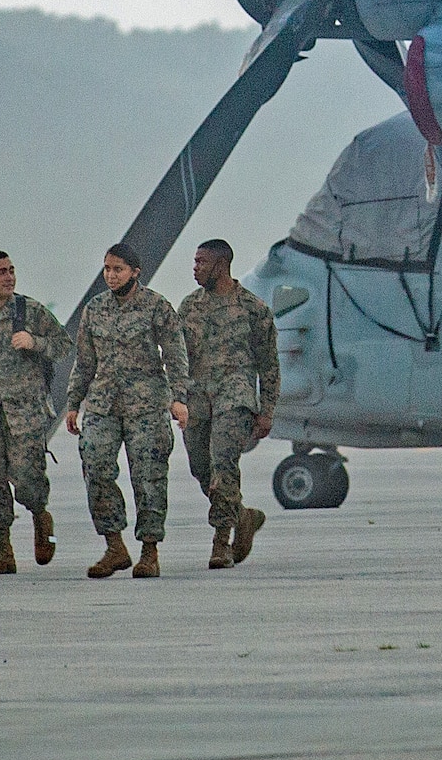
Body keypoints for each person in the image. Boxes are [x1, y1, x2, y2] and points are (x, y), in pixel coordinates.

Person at [64, 243, 188, 579]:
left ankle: (149, 550)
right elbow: (85, 361)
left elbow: (175, 354)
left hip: (146, 405)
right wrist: (73, 404)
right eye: (106, 269)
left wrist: (179, 398)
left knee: (148, 477)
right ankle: (114, 546)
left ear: (135, 271)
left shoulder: (156, 306)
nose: (111, 275)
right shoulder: (95, 309)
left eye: (118, 269)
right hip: (103, 404)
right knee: (96, 467)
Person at [0, 251, 73, 574]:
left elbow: (64, 345)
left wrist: (35, 342)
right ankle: (3, 550)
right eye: (0, 272)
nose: (9, 277)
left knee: (27, 480)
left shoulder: (30, 311)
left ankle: (40, 515)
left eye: (11, 271)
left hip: (25, 413)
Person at [177, 239, 280, 568]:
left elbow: (269, 365)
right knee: (200, 468)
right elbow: (177, 357)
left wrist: (266, 411)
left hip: (235, 397)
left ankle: (221, 543)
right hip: (197, 397)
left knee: (223, 465)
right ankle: (244, 516)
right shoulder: (189, 306)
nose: (195, 268)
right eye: (194, 262)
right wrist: (175, 398)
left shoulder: (253, 308)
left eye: (201, 262)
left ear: (221, 265)